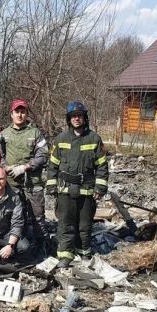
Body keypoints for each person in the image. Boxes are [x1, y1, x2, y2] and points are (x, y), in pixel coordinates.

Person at [46, 101, 109, 268]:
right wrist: (51, 186)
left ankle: (84, 251)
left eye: (79, 116)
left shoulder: (94, 139)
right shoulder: (61, 139)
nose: (76, 119)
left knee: (85, 224)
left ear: (84, 118)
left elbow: (102, 165)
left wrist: (100, 187)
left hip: (87, 190)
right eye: (73, 116)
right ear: (69, 119)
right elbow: (52, 165)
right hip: (65, 190)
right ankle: (66, 254)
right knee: (65, 224)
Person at [0, 99, 48, 248]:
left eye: (23, 112)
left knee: (37, 216)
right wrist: (6, 168)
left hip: (32, 183)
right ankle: (20, 246)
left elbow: (43, 155)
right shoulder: (4, 134)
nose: (20, 115)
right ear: (11, 114)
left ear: (26, 114)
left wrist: (26, 166)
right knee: (15, 216)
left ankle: (41, 247)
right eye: (17, 112)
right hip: (12, 183)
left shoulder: (35, 133)